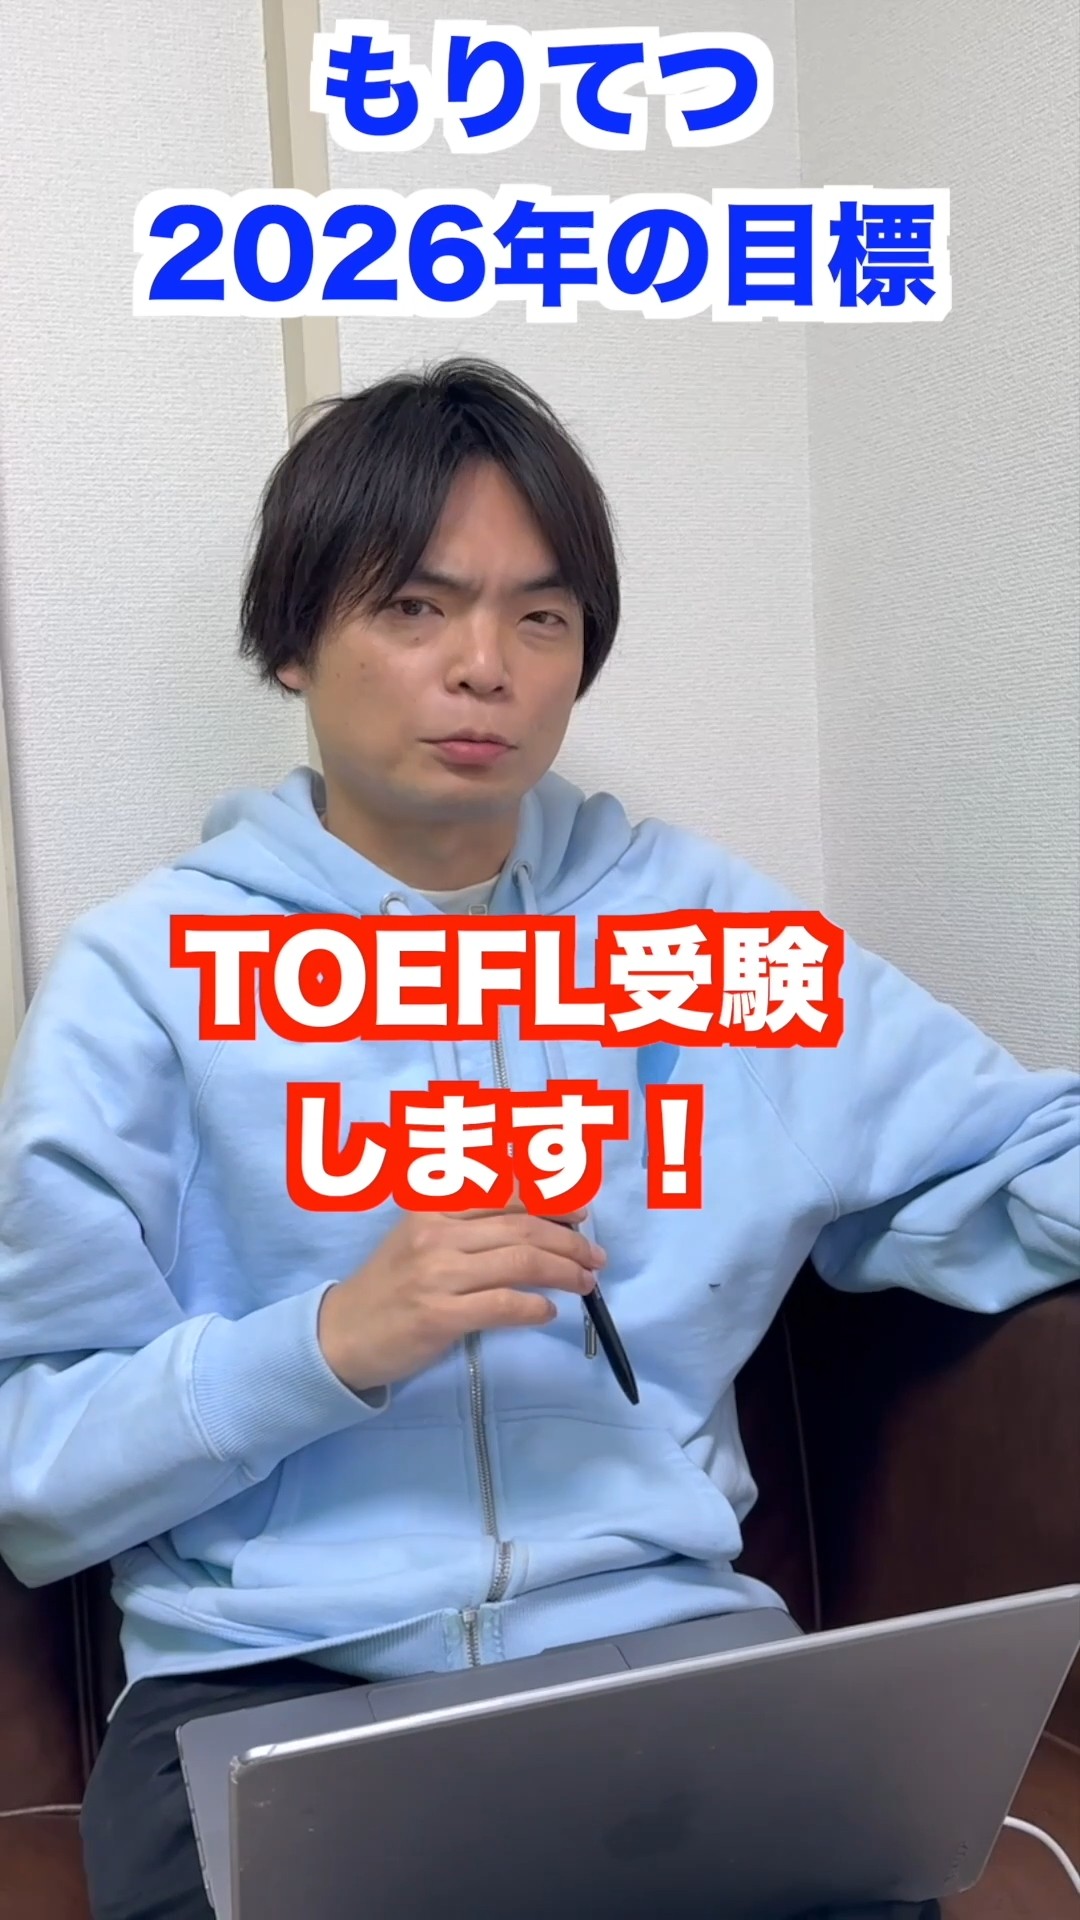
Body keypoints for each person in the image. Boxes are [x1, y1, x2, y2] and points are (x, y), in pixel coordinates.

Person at [0, 359, 1075, 1920]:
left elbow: (1011, 1159)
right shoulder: (144, 981)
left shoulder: (700, 938)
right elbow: (34, 1469)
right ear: (294, 642)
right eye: (416, 608)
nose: (485, 668)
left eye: (542, 617)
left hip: (667, 1644)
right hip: (272, 1681)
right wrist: (329, 1342)